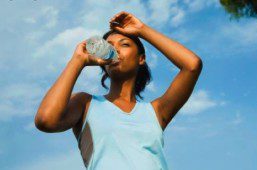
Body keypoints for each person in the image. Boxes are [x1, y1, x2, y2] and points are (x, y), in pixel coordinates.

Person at [34, 11, 203, 170]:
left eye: (124, 44)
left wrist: (141, 30)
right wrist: (78, 60)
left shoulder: (156, 111)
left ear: (141, 58)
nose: (115, 50)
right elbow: (46, 120)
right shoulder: (85, 103)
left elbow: (192, 65)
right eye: (109, 46)